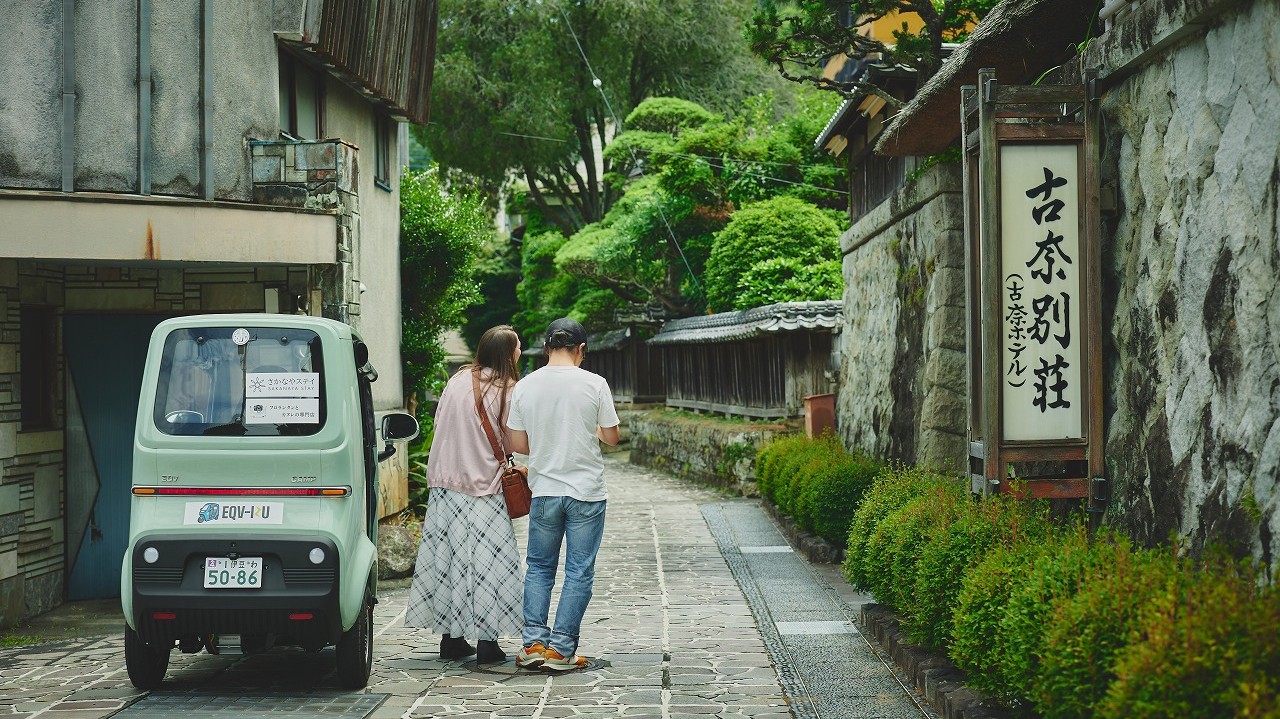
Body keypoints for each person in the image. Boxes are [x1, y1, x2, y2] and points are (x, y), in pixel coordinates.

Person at [404, 325, 524, 664]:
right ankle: (487, 643)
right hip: (483, 487)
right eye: (517, 348)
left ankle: (450, 639)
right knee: (488, 564)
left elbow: (441, 421)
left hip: (445, 487)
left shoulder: (457, 381)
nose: (519, 353)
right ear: (506, 354)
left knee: (448, 561)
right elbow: (513, 442)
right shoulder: (507, 390)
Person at [506, 318, 621, 671]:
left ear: (545, 347)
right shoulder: (594, 383)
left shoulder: (525, 386)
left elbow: (517, 444)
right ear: (581, 350)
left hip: (544, 491)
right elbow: (612, 437)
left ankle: (533, 645)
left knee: (539, 568)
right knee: (578, 572)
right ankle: (561, 650)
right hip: (585, 491)